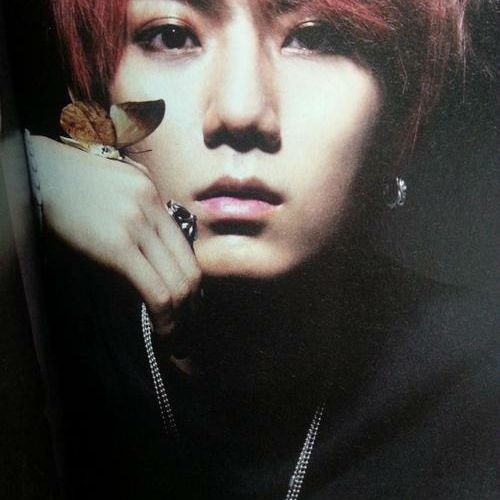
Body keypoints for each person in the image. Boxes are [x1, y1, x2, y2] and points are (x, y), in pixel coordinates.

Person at [25, 0, 497, 499]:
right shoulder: (35, 337)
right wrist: (16, 184)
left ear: (401, 107)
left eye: (315, 38)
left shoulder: (480, 383)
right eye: (172, 36)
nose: (240, 111)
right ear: (92, 97)